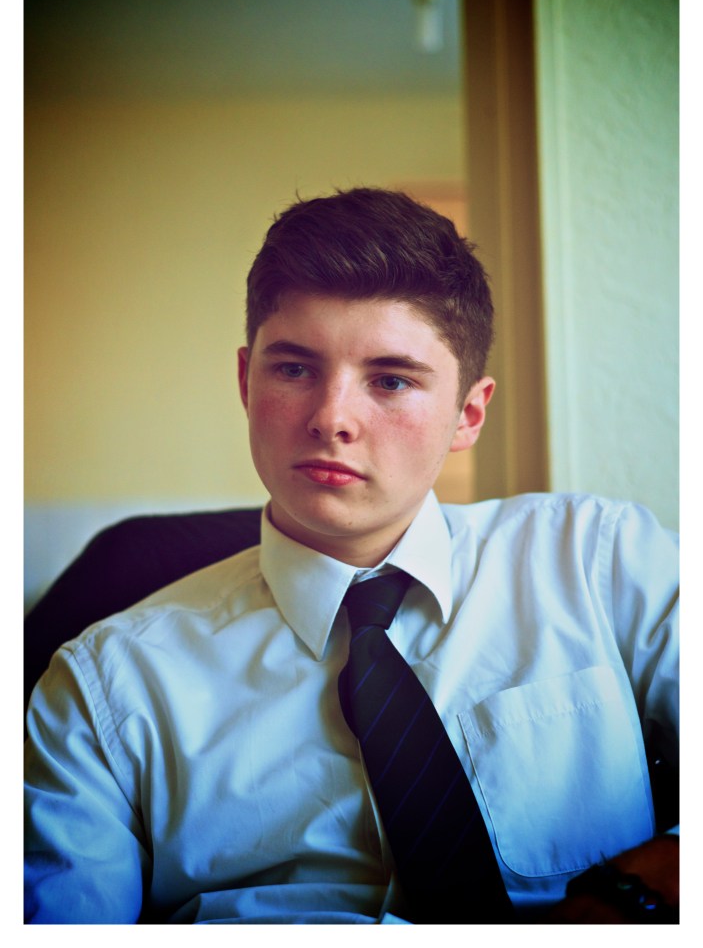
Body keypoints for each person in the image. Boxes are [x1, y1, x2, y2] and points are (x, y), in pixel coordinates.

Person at [24, 187, 679, 924]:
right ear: (245, 381)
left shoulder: (601, 562)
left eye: (391, 380)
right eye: (293, 369)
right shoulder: (105, 688)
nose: (331, 418)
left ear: (468, 413)